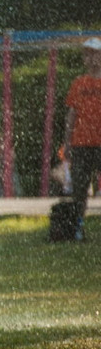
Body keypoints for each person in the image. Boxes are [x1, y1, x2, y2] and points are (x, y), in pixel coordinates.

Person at [63, 36, 101, 240]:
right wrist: (67, 142)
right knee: (79, 189)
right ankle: (77, 227)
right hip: (81, 144)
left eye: (94, 53)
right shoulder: (78, 83)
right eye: (87, 53)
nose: (90, 57)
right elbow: (71, 114)